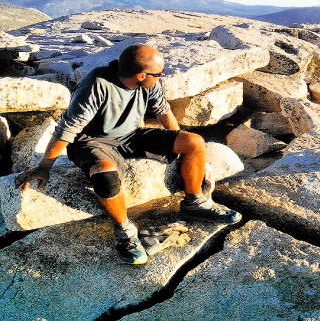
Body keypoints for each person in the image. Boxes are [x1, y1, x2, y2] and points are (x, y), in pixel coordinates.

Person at [14, 44, 241, 265]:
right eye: (159, 73)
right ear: (141, 75)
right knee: (105, 175)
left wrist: (180, 148)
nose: (161, 76)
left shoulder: (150, 84)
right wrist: (44, 166)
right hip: (90, 141)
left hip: (130, 135)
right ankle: (126, 232)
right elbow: (67, 130)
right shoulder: (96, 85)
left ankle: (194, 202)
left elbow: (164, 112)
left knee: (193, 141)